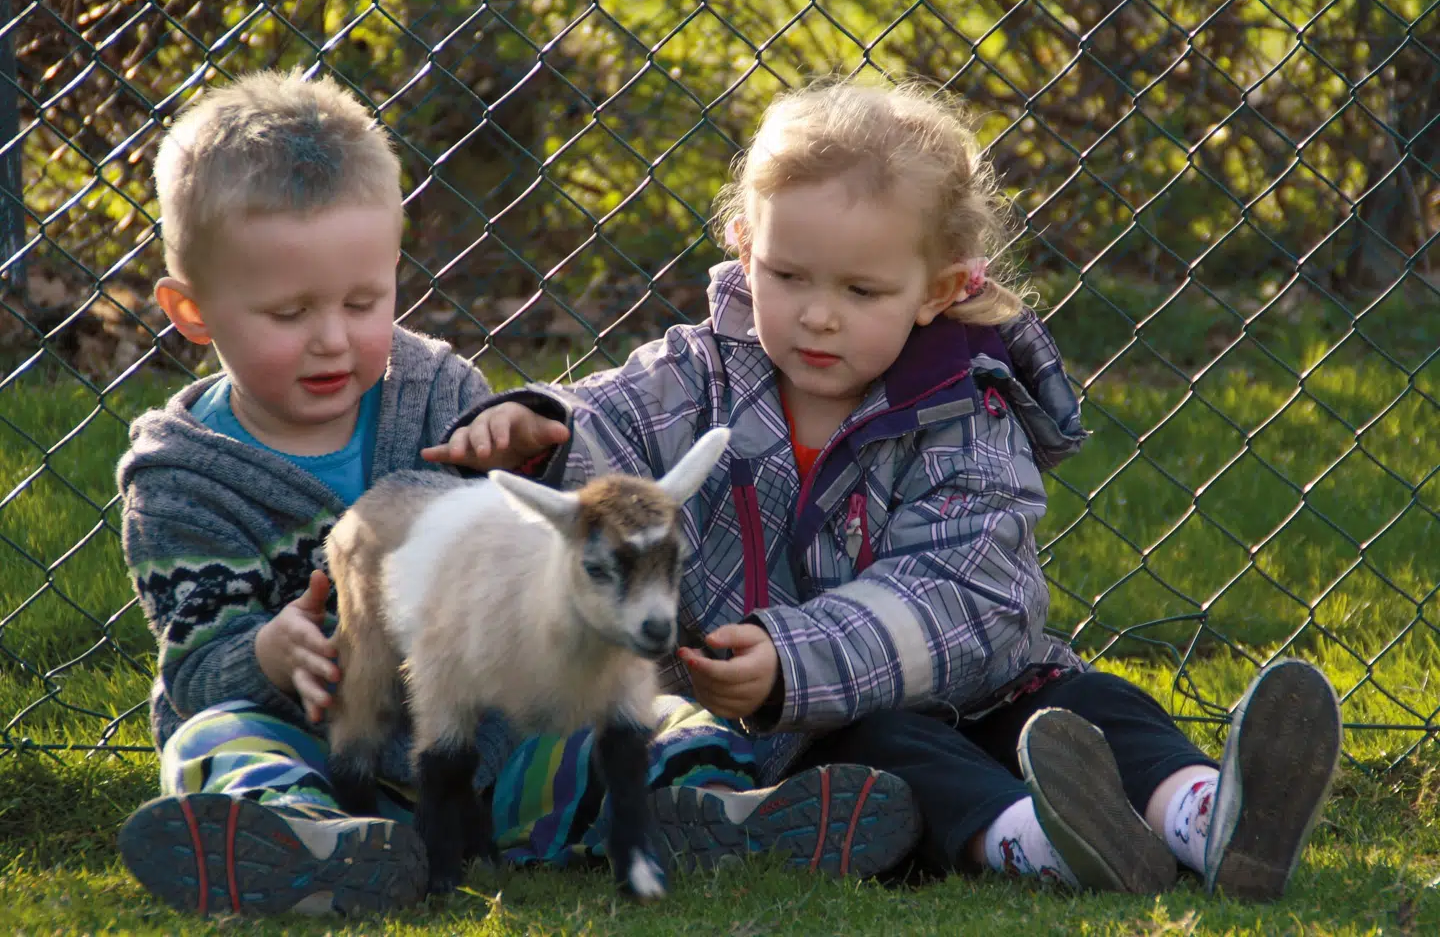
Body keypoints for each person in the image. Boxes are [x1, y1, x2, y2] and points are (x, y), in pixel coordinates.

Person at [433, 77, 1344, 901]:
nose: (818, 314)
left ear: (938, 289)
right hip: (817, 732)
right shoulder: (698, 373)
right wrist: (545, 431)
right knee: (895, 761)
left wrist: (792, 657)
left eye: (862, 290)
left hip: (987, 682)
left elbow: (963, 593)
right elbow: (612, 424)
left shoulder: (966, 408)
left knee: (1096, 707)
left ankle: (1209, 814)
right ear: (745, 248)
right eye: (788, 276)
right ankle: (1048, 842)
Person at [114, 69, 918, 918]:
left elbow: (546, 552)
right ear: (191, 311)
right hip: (311, 744)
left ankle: (716, 810)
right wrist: (268, 657)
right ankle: (313, 844)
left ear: (394, 268)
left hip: (494, 741)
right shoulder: (183, 479)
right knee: (219, 743)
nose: (333, 340)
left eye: (363, 300)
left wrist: (537, 472)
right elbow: (198, 667)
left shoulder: (440, 394)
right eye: (287, 313)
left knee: (647, 717)